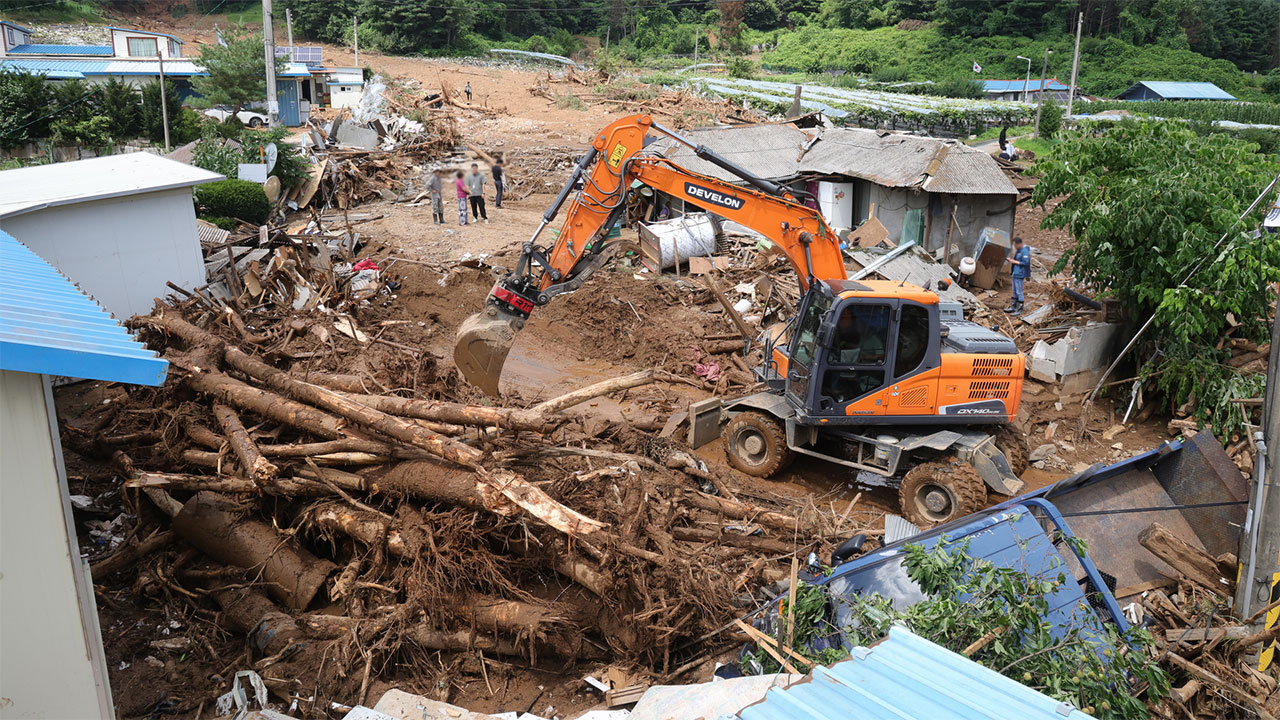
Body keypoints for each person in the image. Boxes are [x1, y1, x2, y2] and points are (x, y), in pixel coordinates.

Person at [1005, 236, 1031, 315]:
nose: (1015, 247)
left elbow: (1026, 263)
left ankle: (1019, 309)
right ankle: (1013, 307)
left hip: (1020, 274)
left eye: (1015, 245)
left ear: (1019, 244)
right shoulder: (1019, 251)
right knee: (1014, 291)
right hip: (1015, 273)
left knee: (1019, 291)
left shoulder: (1024, 251)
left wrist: (1014, 262)